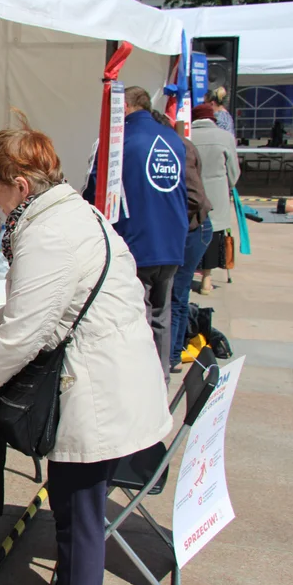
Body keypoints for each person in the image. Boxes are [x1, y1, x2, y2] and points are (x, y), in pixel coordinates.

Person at [0, 117, 170, 585]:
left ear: (20, 187)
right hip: (108, 377)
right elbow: (32, 312)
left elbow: (22, 336)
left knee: (81, 508)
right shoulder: (67, 214)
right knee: (72, 503)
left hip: (100, 390)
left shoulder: (50, 233)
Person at [84, 85, 188, 375]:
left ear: (124, 108)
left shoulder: (118, 140)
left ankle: (139, 384)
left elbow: (95, 190)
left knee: (133, 319)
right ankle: (162, 379)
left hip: (135, 242)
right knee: (161, 316)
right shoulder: (173, 138)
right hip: (171, 241)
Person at [151, 110, 213, 373]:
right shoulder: (179, 146)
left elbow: (195, 198)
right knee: (174, 295)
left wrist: (167, 216)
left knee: (175, 295)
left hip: (191, 230)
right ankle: (171, 354)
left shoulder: (176, 148)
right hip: (189, 229)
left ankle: (172, 356)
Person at [190, 103, 241, 296]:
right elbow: (234, 171)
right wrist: (229, 185)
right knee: (215, 233)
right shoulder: (225, 137)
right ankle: (207, 279)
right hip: (217, 192)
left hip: (194, 192)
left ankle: (190, 272)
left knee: (195, 231)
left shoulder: (187, 136)